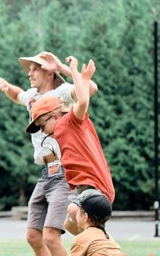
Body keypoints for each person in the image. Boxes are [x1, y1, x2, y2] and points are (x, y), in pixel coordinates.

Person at [0, 52, 96, 256]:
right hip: (45, 174)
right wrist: (5, 86)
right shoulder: (32, 97)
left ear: (48, 71)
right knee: (33, 236)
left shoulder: (62, 91)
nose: (29, 73)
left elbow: (90, 88)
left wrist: (62, 66)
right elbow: (17, 95)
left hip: (63, 172)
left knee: (51, 235)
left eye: (34, 69)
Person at [25, 56, 115, 237]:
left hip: (95, 185)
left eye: (42, 125)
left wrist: (75, 72)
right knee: (70, 224)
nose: (42, 131)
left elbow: (82, 101)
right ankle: (103, 245)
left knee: (75, 211)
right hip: (83, 187)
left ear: (55, 115)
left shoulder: (71, 121)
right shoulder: (60, 131)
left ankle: (104, 246)